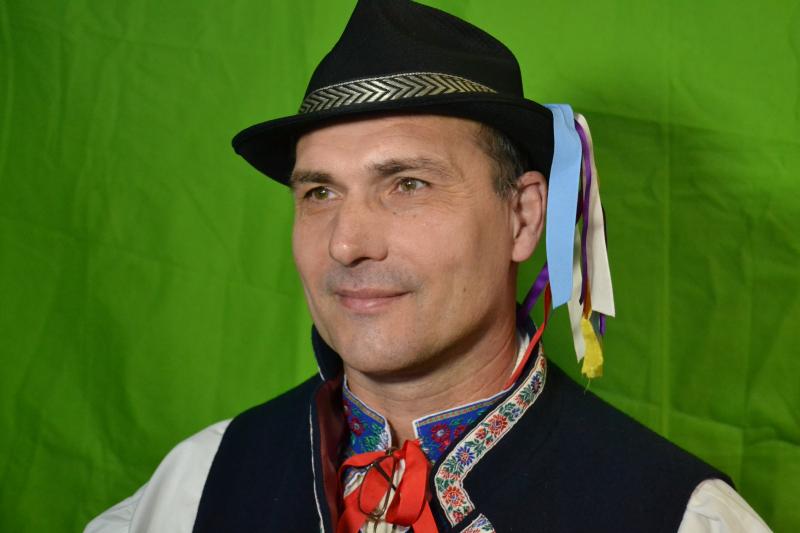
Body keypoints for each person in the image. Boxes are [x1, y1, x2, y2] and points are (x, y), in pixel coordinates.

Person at [85, 1, 771, 532]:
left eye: (408, 184)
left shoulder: (675, 516)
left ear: (523, 217)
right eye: (320, 192)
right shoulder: (200, 484)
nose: (347, 243)